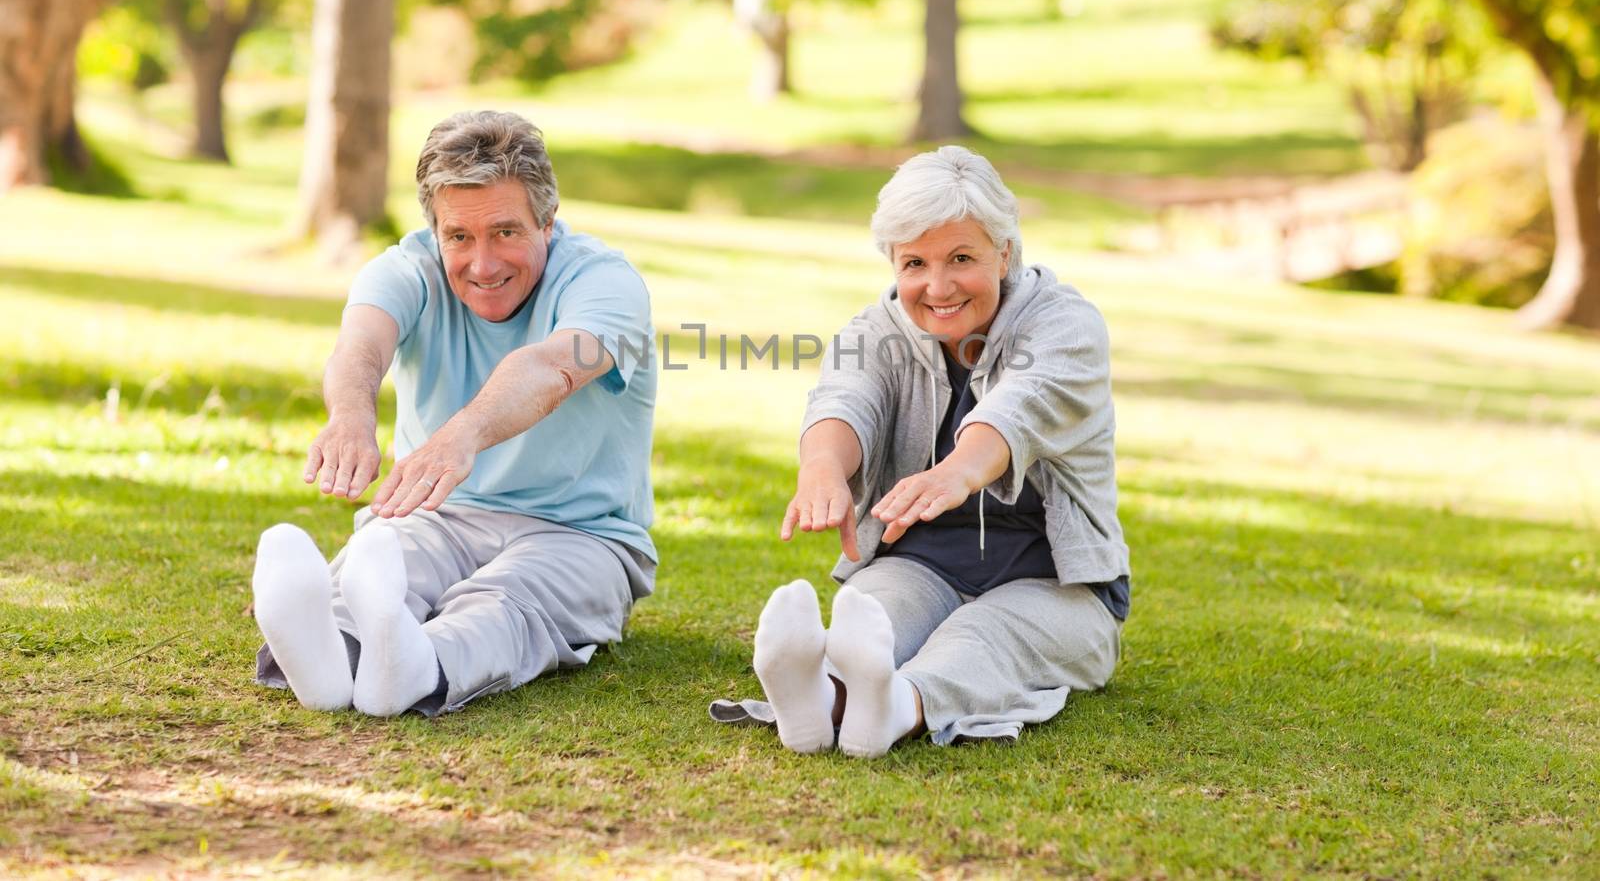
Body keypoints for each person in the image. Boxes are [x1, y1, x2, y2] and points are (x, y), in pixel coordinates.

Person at [714, 146, 1129, 756]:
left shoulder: (1066, 327)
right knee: (877, 616)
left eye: (962, 258)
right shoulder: (873, 331)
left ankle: (896, 710)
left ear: (1005, 252)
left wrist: (958, 472)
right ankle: (819, 699)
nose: (938, 287)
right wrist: (822, 469)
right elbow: (844, 399)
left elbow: (1023, 406)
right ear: (892, 263)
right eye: (915, 263)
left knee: (981, 637)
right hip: (920, 563)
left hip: (1059, 588)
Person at [251, 110, 656, 717]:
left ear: (547, 221)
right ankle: (331, 657)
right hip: (437, 515)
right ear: (435, 229)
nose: (483, 264)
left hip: (582, 534)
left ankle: (415, 665)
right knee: (388, 563)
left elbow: (550, 367)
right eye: (459, 237)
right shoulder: (406, 268)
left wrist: (462, 435)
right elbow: (360, 345)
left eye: (506, 233)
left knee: (507, 599)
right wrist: (352, 416)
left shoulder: (605, 284)